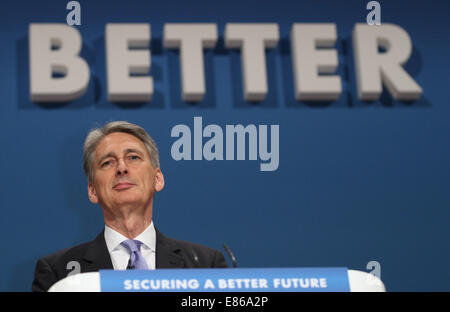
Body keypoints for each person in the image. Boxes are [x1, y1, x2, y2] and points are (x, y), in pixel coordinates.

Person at [32, 121, 228, 292]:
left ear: (157, 179)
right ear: (92, 191)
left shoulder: (205, 266)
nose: (122, 168)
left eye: (133, 157)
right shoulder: (58, 273)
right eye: (107, 162)